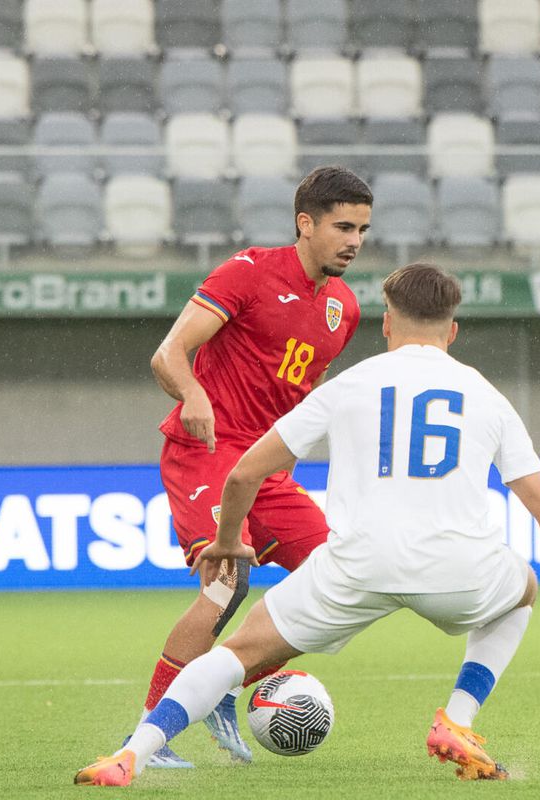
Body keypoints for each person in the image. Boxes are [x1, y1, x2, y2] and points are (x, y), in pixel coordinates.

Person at [75, 263, 540, 786]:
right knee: (523, 590)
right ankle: (456, 719)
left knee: (234, 654)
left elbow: (244, 472)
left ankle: (132, 756)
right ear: (454, 331)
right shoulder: (486, 397)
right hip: (459, 570)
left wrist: (228, 541)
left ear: (387, 323)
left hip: (356, 565)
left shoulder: (349, 386)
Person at [127, 166, 373, 768]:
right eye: (343, 226)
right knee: (226, 581)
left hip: (266, 467)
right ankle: (152, 732)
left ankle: (220, 684)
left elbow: (301, 397)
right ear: (305, 223)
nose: (355, 241)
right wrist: (192, 394)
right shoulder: (248, 272)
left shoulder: (344, 307)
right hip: (205, 450)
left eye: (364, 229)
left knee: (341, 582)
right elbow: (169, 354)